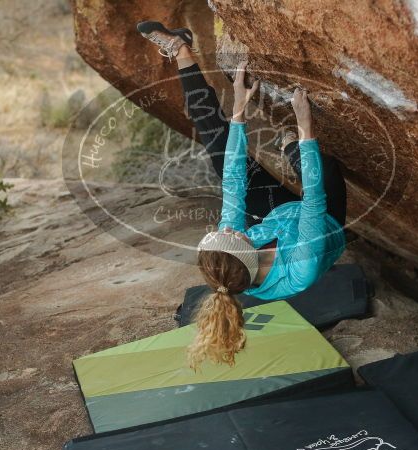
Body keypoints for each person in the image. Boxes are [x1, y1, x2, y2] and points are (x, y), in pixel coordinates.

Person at [137, 21, 347, 369]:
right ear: (247, 254)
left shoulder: (232, 250)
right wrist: (304, 127)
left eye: (225, 233)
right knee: (324, 167)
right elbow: (314, 201)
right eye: (233, 235)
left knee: (220, 155)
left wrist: (237, 109)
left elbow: (233, 180)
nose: (231, 228)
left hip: (277, 216)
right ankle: (292, 150)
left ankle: (182, 51)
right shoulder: (300, 268)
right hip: (323, 221)